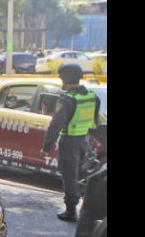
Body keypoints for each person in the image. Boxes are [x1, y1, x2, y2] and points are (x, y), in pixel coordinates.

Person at [40, 63, 100, 222]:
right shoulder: (92, 96)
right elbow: (96, 121)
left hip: (69, 142)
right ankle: (87, 209)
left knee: (69, 175)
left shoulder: (67, 100)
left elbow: (56, 124)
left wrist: (46, 145)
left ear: (65, 79)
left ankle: (71, 211)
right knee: (82, 174)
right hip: (87, 142)